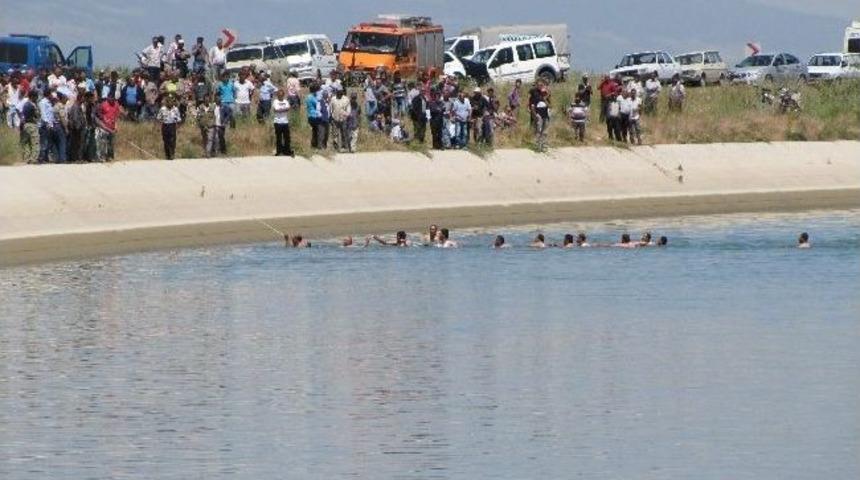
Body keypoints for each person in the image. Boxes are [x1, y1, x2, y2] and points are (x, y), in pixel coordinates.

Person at [95, 94, 121, 161]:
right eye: (110, 98)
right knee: (103, 143)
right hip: (104, 127)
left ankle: (110, 157)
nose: (112, 100)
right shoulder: (103, 105)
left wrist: (116, 126)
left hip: (112, 127)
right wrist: (103, 122)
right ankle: (102, 156)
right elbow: (100, 115)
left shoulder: (116, 105)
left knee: (111, 143)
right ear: (108, 98)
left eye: (113, 98)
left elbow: (116, 117)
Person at [156, 95, 181, 160]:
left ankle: (172, 153)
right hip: (165, 126)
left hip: (172, 125)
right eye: (169, 101)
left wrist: (178, 128)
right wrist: (158, 127)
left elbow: (178, 119)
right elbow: (158, 118)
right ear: (166, 102)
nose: (170, 103)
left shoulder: (175, 109)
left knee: (172, 141)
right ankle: (167, 155)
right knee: (166, 141)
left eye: (172, 101)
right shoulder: (162, 109)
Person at [18, 91, 40, 164]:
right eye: (36, 96)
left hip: (26, 125)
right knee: (35, 142)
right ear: (32, 97)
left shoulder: (25, 104)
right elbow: (37, 115)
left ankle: (26, 158)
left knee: (27, 143)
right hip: (32, 125)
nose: (37, 98)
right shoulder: (32, 105)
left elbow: (21, 114)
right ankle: (33, 159)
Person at [272, 89, 294, 156]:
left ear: (283, 95)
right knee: (279, 138)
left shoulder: (286, 101)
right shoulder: (275, 101)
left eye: (282, 95)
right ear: (277, 95)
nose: (280, 96)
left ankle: (287, 151)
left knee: (287, 137)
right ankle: (279, 152)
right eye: (279, 95)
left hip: (285, 122)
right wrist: (284, 109)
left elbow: (288, 108)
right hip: (277, 122)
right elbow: (276, 110)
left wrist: (281, 110)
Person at [66, 91, 86, 162]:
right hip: (76, 129)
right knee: (77, 144)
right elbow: (75, 118)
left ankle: (77, 158)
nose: (84, 100)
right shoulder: (75, 107)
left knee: (78, 144)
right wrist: (78, 128)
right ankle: (76, 158)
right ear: (80, 98)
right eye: (83, 98)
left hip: (78, 128)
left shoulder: (79, 106)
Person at [330, 88, 351, 152]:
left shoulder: (346, 99)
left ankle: (343, 147)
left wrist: (346, 115)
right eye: (337, 92)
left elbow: (348, 109)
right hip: (335, 118)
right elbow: (331, 108)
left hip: (343, 119)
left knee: (343, 133)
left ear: (342, 93)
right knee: (335, 133)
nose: (338, 93)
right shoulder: (333, 99)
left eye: (340, 92)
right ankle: (335, 146)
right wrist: (331, 115)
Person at [306, 84, 322, 149]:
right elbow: (318, 104)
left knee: (314, 131)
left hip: (310, 115)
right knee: (318, 131)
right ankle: (317, 145)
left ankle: (313, 145)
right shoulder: (312, 97)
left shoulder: (308, 97)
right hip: (315, 116)